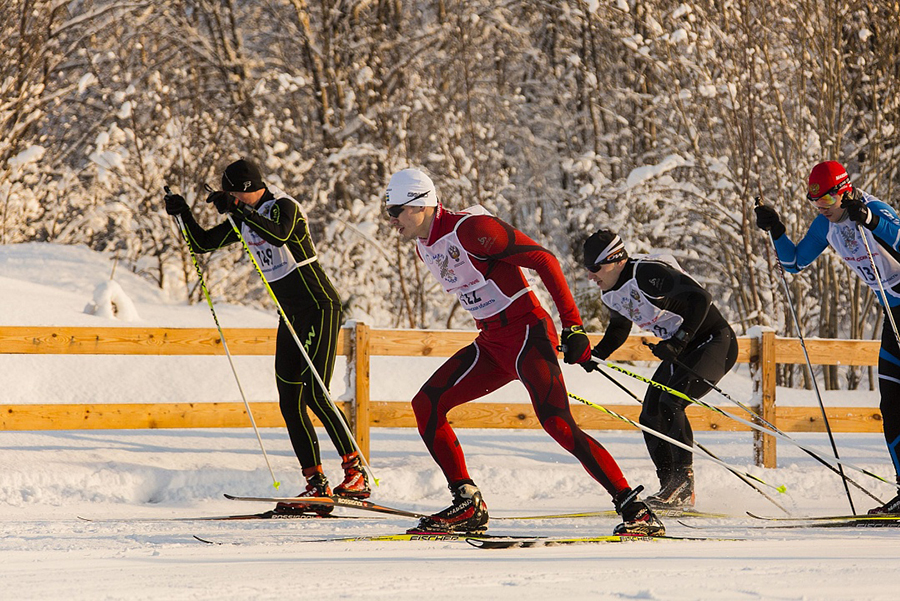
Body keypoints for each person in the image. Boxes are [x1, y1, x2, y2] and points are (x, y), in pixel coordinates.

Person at [384, 167, 663, 536]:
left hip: (528, 333)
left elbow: (545, 260)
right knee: (427, 405)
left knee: (558, 424)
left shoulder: (471, 229)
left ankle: (634, 508)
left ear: (421, 205)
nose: (392, 220)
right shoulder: (424, 246)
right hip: (491, 343)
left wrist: (574, 326)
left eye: (395, 211)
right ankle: (467, 504)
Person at [163, 159, 368, 514]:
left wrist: (239, 211)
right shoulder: (243, 216)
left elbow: (280, 234)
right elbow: (203, 243)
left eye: (232, 193)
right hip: (289, 315)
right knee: (289, 399)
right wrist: (182, 215)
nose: (229, 199)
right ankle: (315, 484)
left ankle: (355, 474)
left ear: (243, 189)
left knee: (316, 392)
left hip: (318, 306)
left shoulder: (283, 206)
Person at [755, 160, 900, 514]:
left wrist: (871, 221)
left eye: (827, 200)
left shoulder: (874, 210)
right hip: (893, 317)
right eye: (815, 202)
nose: (822, 208)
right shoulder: (826, 225)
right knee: (892, 408)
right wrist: (776, 229)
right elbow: (793, 263)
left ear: (844, 190)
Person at [575, 230, 738, 509]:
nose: (591, 276)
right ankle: (669, 487)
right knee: (650, 414)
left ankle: (683, 486)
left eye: (595, 268)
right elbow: (619, 328)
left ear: (614, 260)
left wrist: (678, 340)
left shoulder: (647, 274)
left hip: (714, 341)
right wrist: (596, 355)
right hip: (681, 349)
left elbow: (701, 298)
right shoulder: (610, 294)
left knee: (670, 402)